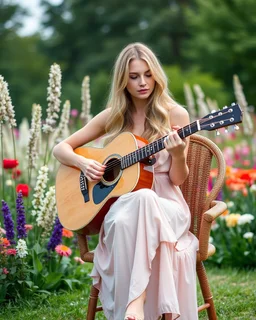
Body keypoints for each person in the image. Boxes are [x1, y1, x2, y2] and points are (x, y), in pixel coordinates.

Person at [53, 42, 199, 320]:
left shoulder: (176, 115)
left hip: (168, 207)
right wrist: (84, 163)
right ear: (123, 80)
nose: (142, 82)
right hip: (121, 211)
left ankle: (135, 301)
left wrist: (179, 155)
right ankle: (138, 301)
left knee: (145, 197)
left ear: (156, 75)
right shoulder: (114, 116)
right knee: (135, 204)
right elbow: (60, 148)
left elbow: (178, 180)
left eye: (147, 74)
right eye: (134, 76)